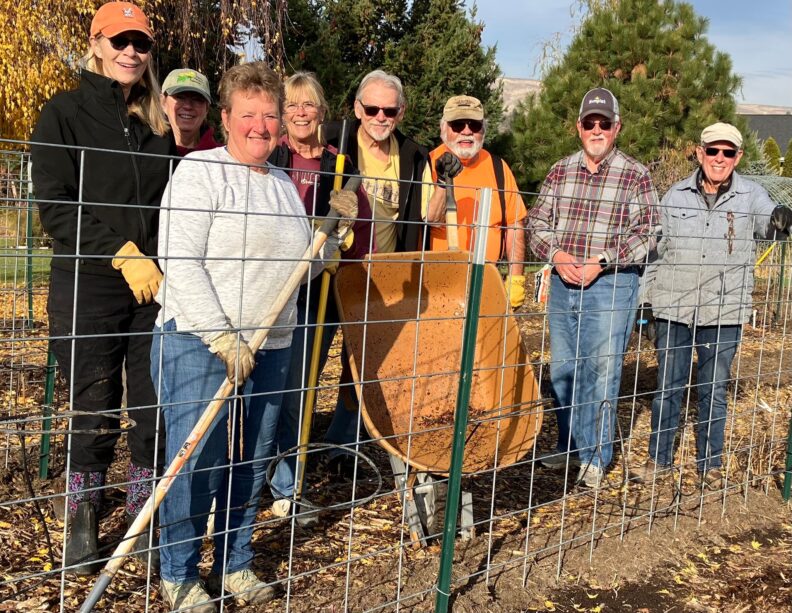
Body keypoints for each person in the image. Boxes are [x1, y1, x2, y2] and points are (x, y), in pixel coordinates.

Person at [151, 62, 353, 612]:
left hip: (272, 344)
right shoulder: (200, 172)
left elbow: (296, 268)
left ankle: (236, 562)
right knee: (197, 460)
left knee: (251, 461)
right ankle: (180, 573)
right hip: (199, 341)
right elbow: (179, 261)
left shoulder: (285, 184)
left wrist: (327, 244)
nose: (261, 126)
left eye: (270, 115)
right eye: (249, 115)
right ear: (227, 118)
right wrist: (222, 338)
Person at [30, 1, 172, 574]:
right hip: (88, 284)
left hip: (148, 290)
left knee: (152, 406)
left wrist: (158, 261)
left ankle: (141, 519)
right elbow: (55, 206)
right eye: (119, 41)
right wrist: (120, 251)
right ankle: (82, 525)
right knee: (93, 408)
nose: (130, 52)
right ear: (96, 44)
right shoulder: (62, 112)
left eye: (140, 43)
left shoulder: (154, 125)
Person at [632, 122, 792, 490]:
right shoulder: (674, 195)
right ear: (699, 152)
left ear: (738, 158)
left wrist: (780, 217)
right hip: (674, 306)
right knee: (668, 387)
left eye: (728, 152)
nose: (720, 158)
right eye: (713, 150)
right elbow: (656, 252)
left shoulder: (752, 195)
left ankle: (710, 463)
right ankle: (659, 460)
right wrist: (647, 303)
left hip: (724, 311)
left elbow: (769, 221)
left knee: (713, 388)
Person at [526, 87, 660, 488]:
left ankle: (595, 456)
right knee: (564, 369)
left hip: (612, 283)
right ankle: (569, 445)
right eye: (590, 123)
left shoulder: (636, 174)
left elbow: (650, 234)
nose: (597, 129)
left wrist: (601, 260)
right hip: (565, 282)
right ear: (578, 127)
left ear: (617, 127)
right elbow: (536, 223)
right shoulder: (560, 169)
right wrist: (559, 256)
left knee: (600, 369)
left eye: (605, 123)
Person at [267, 71, 374, 516]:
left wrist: (344, 233)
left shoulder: (340, 166)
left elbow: (359, 228)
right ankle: (250, 476)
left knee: (300, 389)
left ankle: (286, 486)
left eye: (307, 104)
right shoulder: (272, 156)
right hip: (270, 288)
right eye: (291, 105)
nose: (299, 113)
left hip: (316, 295)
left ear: (321, 111)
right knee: (260, 390)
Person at [322, 69, 431, 469]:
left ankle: (342, 445)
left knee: (363, 368)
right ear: (357, 108)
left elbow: (422, 217)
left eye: (389, 110)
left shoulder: (414, 155)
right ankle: (289, 451)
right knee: (309, 361)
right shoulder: (333, 139)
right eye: (372, 108)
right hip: (327, 273)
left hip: (376, 281)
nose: (380, 117)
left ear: (401, 112)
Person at [425, 95, 527, 308]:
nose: (466, 131)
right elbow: (430, 220)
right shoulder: (428, 164)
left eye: (474, 124)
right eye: (457, 124)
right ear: (443, 128)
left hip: (487, 282)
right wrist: (443, 183)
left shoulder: (499, 169)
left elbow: (515, 226)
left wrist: (515, 279)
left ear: (484, 129)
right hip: (436, 285)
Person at [161, 68, 220, 155]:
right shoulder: (145, 150)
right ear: (163, 102)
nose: (188, 106)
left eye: (197, 99)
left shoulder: (221, 159)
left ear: (207, 108)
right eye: (180, 97)